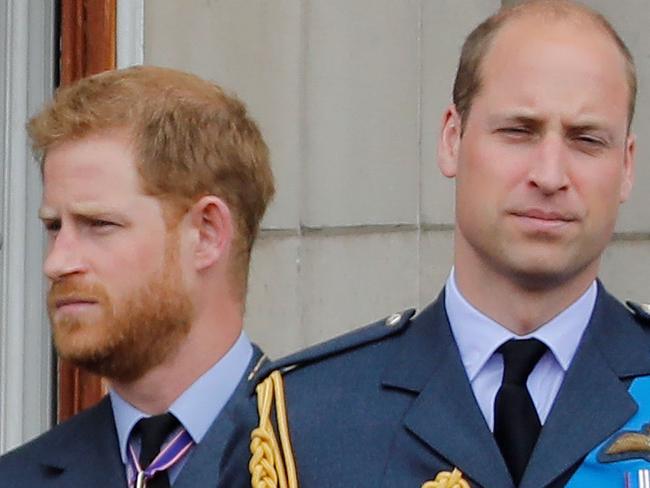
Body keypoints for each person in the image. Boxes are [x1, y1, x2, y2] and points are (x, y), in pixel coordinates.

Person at [244, 1, 650, 487]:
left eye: (586, 140)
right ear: (451, 139)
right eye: (518, 132)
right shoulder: (311, 419)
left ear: (626, 166)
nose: (549, 175)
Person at [0, 66, 275, 487]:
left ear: (206, 234)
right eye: (54, 227)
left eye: (99, 224)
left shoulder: (338, 460)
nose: (56, 262)